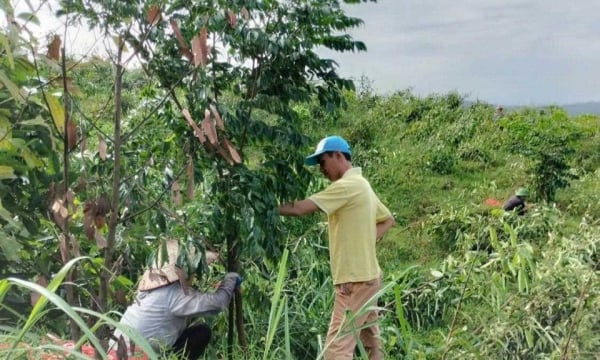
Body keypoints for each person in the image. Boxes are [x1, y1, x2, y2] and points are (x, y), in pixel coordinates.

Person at [278, 135, 395, 360]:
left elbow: (300, 209)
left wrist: (266, 207)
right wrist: (364, 240)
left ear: (338, 156)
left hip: (354, 281)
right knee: (371, 345)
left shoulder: (346, 186)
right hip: (369, 278)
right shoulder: (362, 184)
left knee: (337, 349)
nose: (321, 169)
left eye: (323, 162)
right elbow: (388, 219)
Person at [110, 239, 242, 360]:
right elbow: (217, 304)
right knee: (202, 332)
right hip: (135, 355)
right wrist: (230, 280)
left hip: (117, 349)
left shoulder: (151, 289)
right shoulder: (174, 295)